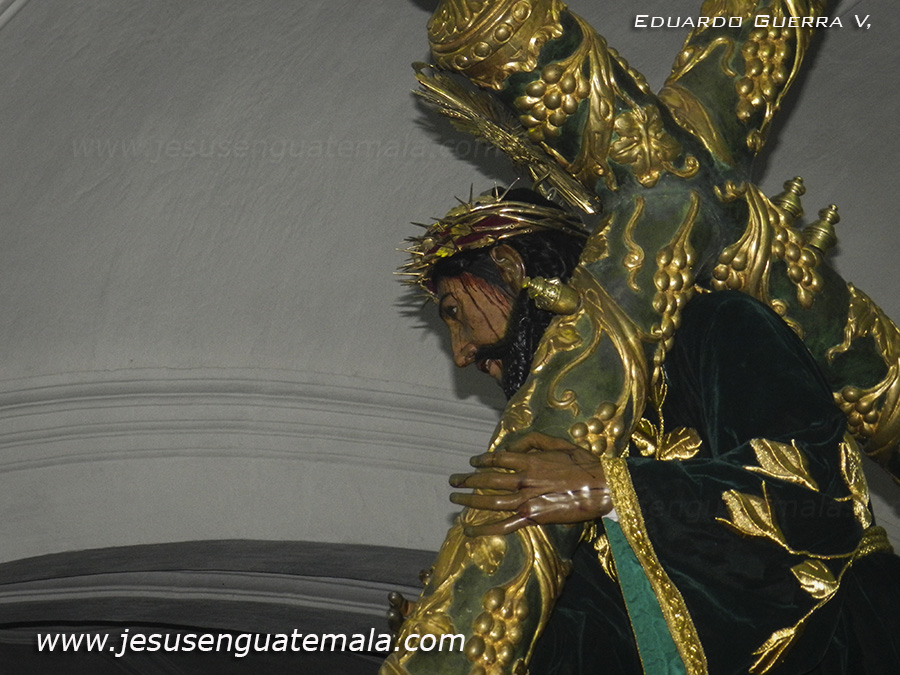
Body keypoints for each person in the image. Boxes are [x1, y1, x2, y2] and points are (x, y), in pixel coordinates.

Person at [397, 186, 900, 674]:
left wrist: (614, 490)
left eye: (455, 313)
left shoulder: (717, 324)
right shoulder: (567, 450)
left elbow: (810, 494)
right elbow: (608, 637)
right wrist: (468, 638)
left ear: (510, 267)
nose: (461, 353)